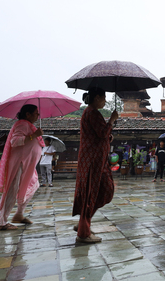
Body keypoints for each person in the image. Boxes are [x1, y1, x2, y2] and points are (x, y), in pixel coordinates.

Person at [72, 87, 119, 244]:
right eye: (104, 98)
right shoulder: (92, 112)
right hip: (92, 160)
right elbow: (101, 133)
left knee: (106, 190)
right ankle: (83, 233)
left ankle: (83, 223)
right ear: (97, 97)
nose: (105, 101)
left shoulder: (91, 113)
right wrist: (111, 120)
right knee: (90, 193)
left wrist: (107, 136)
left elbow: (100, 135)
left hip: (98, 160)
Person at [0, 104, 44, 231]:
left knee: (34, 185)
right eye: (36, 113)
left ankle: (19, 214)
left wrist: (35, 134)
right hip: (19, 163)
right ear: (28, 114)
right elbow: (15, 141)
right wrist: (34, 135)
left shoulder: (28, 125)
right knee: (12, 189)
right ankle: (1, 222)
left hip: (27, 165)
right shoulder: (22, 124)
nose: (38, 116)